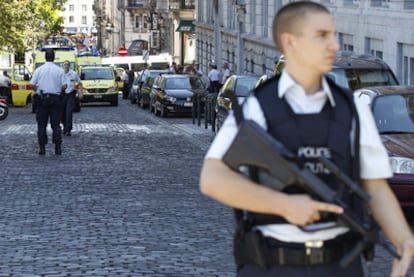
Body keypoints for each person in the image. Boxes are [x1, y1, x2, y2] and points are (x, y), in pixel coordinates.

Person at [199, 2, 414, 277]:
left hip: (340, 264)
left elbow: (375, 186)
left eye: (334, 35)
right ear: (291, 42)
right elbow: (213, 178)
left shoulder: (352, 108)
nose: (335, 45)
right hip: (271, 263)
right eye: (322, 35)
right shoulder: (258, 106)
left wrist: (403, 238)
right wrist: (284, 205)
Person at [30, 49, 67, 155]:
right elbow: (64, 85)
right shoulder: (59, 70)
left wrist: (37, 89)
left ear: (45, 57)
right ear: (54, 57)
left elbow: (32, 84)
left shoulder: (39, 70)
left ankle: (42, 148)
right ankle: (57, 147)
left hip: (42, 98)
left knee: (41, 125)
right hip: (55, 98)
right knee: (56, 125)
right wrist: (59, 90)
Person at [61, 60, 82, 137]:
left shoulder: (73, 74)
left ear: (69, 66)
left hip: (71, 95)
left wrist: (81, 92)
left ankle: (68, 129)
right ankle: (65, 126)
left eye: (67, 65)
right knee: (62, 112)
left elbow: (80, 83)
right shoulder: (60, 74)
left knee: (69, 112)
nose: (66, 66)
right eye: (65, 65)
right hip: (62, 95)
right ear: (63, 66)